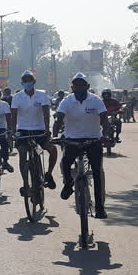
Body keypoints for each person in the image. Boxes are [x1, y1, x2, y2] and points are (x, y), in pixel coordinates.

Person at [53, 73, 110, 219]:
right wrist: (55, 135)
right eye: (76, 86)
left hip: (93, 140)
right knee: (65, 163)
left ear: (88, 87)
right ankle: (68, 185)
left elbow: (104, 119)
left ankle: (100, 207)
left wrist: (106, 135)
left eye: (81, 85)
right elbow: (59, 119)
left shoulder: (96, 101)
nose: (78, 88)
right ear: (72, 88)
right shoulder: (66, 101)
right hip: (72, 140)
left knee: (97, 172)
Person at [11, 71, 58, 194]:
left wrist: (47, 130)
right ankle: (26, 184)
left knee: (52, 149)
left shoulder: (42, 96)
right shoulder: (17, 97)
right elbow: (14, 115)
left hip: (39, 129)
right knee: (22, 152)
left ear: (34, 82)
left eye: (29, 80)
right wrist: (12, 131)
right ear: (22, 83)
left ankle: (48, 174)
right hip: (23, 130)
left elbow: (46, 114)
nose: (27, 83)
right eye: (25, 81)